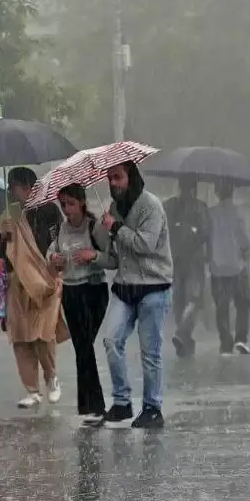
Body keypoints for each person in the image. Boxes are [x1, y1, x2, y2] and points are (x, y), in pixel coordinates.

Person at [100, 161, 174, 429]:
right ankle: (122, 402)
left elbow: (145, 244)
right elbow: (114, 257)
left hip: (153, 286)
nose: (113, 183)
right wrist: (93, 255)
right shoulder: (113, 208)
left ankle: (153, 408)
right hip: (124, 287)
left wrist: (116, 228)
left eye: (118, 177)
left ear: (130, 177)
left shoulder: (150, 205)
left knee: (149, 351)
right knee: (111, 340)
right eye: (109, 178)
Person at [0, 167, 67, 408]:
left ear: (27, 186)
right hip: (17, 282)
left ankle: (52, 378)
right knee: (21, 337)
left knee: (43, 333)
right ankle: (32, 390)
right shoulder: (9, 215)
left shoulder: (49, 210)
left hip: (45, 280)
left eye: (14, 186)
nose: (11, 191)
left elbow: (58, 242)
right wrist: (1, 238)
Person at [47, 184, 114, 424]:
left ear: (82, 202)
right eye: (63, 204)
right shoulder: (59, 230)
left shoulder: (94, 227)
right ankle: (90, 407)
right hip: (71, 292)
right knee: (82, 348)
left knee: (84, 346)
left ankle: (94, 406)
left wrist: (93, 255)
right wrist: (54, 259)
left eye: (71, 204)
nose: (67, 209)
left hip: (93, 291)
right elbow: (50, 258)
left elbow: (113, 259)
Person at [164, 176, 211, 358]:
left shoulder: (169, 206)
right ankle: (183, 333)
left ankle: (184, 338)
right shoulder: (200, 207)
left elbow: (163, 230)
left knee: (180, 299)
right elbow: (205, 233)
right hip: (192, 260)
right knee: (193, 299)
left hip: (175, 259)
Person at [209, 181, 250, 355]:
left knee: (222, 306)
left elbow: (206, 238)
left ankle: (225, 342)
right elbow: (245, 240)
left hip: (217, 267)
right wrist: (246, 251)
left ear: (217, 192)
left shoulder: (210, 213)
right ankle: (241, 338)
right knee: (243, 303)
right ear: (232, 192)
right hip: (237, 266)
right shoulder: (238, 212)